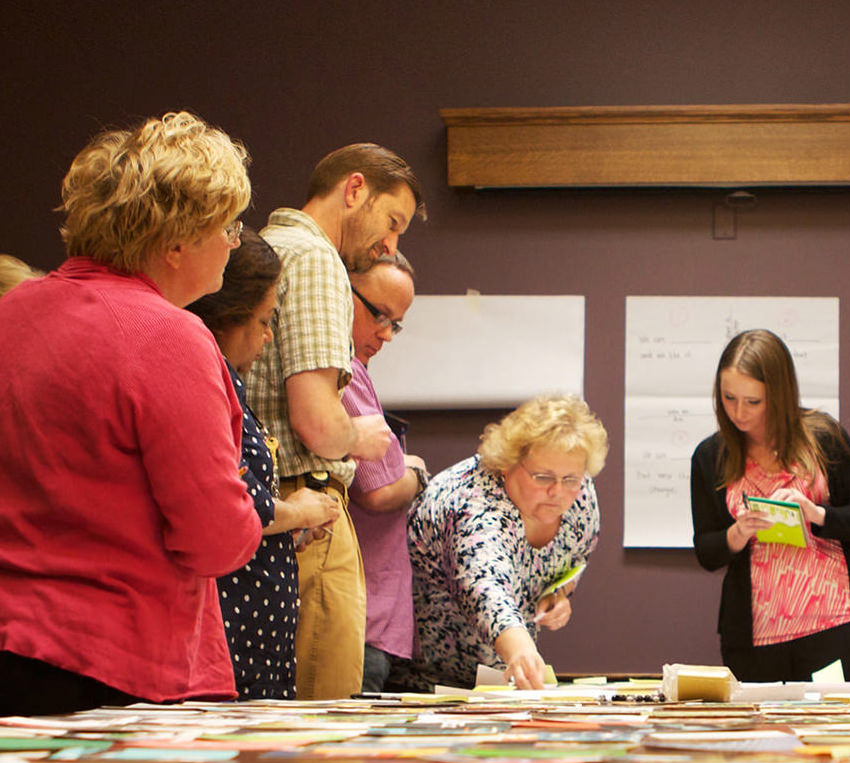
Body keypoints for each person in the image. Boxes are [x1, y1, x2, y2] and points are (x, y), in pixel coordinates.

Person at [0, 111, 261, 715]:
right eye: (228, 225)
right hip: (112, 667)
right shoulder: (168, 336)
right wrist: (243, 508)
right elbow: (214, 539)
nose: (234, 241)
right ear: (175, 244)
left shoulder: (13, 312)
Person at [246, 143, 425, 699]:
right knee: (322, 716)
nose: (388, 246)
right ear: (353, 191)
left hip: (267, 509)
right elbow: (318, 423)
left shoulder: (267, 245)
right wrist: (362, 436)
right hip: (309, 507)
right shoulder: (318, 257)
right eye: (391, 223)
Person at [188, 229, 340, 699]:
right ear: (229, 319)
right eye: (264, 320)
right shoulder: (208, 380)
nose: (268, 334)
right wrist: (302, 511)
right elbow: (238, 502)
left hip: (255, 624)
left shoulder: (226, 382)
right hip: (237, 628)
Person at [690, 328, 850, 682]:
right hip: (755, 634)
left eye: (753, 401)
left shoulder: (824, 437)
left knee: (835, 732)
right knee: (760, 734)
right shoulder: (710, 456)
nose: (738, 412)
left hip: (832, 622)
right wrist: (737, 533)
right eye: (729, 398)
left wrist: (815, 513)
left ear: (778, 395)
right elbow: (706, 550)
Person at [392, 395, 607, 692]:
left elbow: (574, 559)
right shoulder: (471, 502)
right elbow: (483, 585)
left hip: (497, 683)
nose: (558, 491)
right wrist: (520, 649)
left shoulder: (579, 495)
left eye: (571, 478)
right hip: (427, 684)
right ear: (508, 464)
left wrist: (558, 593)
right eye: (543, 477)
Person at [341, 252, 428, 692]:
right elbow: (377, 492)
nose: (385, 334)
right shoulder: (343, 368)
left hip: (375, 621)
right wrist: (416, 472)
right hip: (362, 622)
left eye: (395, 323)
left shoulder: (359, 369)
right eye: (378, 313)